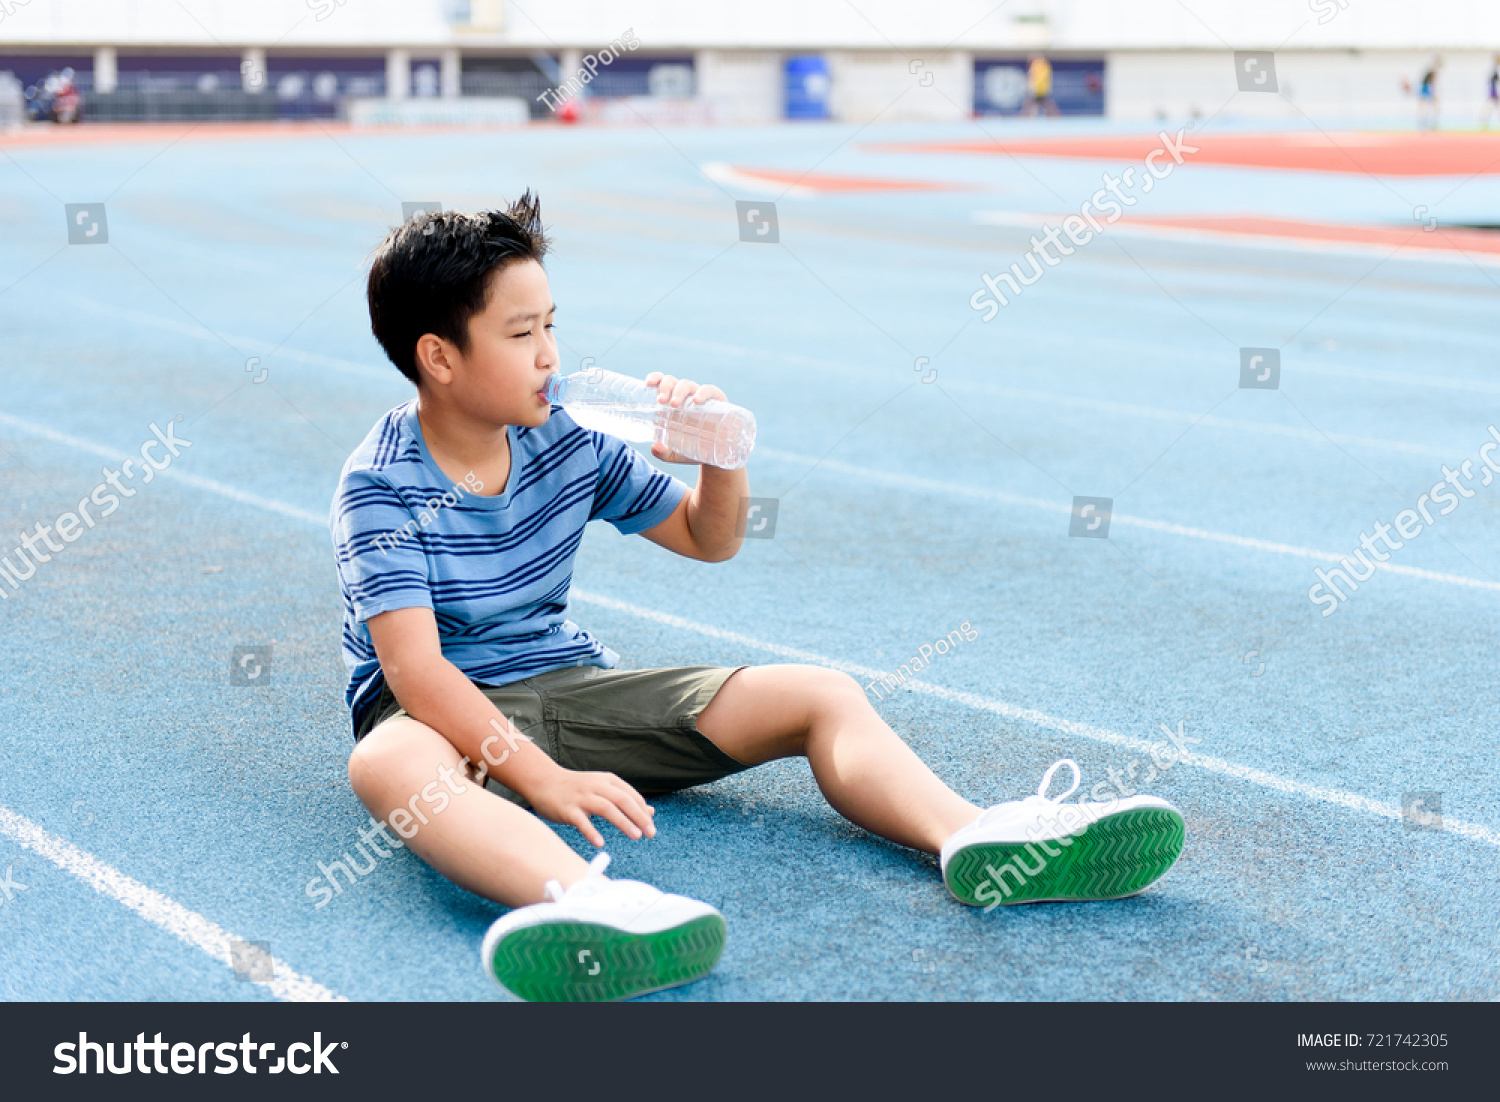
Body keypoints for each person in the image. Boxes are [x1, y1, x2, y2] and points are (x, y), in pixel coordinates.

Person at [331, 195, 1187, 1001]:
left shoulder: (568, 439)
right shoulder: (381, 484)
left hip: (566, 689)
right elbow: (418, 674)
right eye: (522, 334)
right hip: (437, 723)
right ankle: (587, 905)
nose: (551, 355)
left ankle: (974, 836)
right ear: (439, 357)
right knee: (385, 767)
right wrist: (547, 780)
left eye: (551, 325)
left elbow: (710, 538)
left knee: (820, 694)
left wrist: (717, 452)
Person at [1417, 56, 1442, 131]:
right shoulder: (1432, 72)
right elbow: (1431, 84)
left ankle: (1430, 126)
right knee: (1426, 109)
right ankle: (1426, 126)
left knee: (1432, 109)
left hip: (1426, 91)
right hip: (1425, 91)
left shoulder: (1432, 72)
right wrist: (1434, 95)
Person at [1484, 54, 1499, 130]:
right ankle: (1485, 125)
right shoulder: (1492, 70)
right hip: (1493, 94)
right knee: (1488, 110)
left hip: (1497, 94)